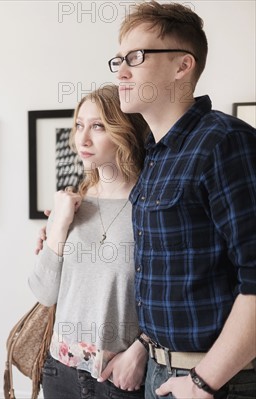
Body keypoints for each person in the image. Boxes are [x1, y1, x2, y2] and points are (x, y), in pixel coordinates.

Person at [110, 1, 256, 398]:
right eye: (118, 59)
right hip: (161, 371)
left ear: (182, 65)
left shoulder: (224, 142)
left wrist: (203, 381)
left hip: (219, 380)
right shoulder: (155, 153)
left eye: (135, 57)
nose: (121, 71)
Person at [29, 84, 150, 398]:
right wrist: (59, 224)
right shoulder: (71, 204)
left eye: (98, 126)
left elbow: (172, 291)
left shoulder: (151, 205)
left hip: (120, 375)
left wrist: (140, 350)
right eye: (79, 125)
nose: (82, 139)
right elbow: (44, 292)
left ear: (126, 131)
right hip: (59, 370)